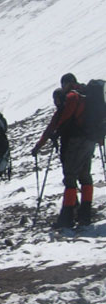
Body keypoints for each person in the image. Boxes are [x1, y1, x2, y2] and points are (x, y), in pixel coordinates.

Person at [34, 73, 96, 228]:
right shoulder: (86, 96)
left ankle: (67, 217)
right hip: (89, 140)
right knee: (85, 176)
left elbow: (59, 122)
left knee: (70, 178)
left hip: (75, 142)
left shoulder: (72, 97)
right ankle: (85, 215)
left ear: (67, 83)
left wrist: (39, 146)